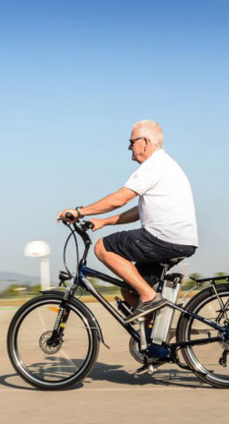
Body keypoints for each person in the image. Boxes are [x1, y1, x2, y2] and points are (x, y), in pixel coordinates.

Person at [57, 120, 198, 324]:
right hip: (179, 240)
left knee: (102, 247)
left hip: (164, 237)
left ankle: (150, 298)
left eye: (131, 142)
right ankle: (156, 342)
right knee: (130, 289)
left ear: (145, 142)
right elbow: (138, 211)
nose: (129, 147)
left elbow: (120, 199)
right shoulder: (165, 165)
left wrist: (80, 212)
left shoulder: (154, 166)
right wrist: (105, 222)